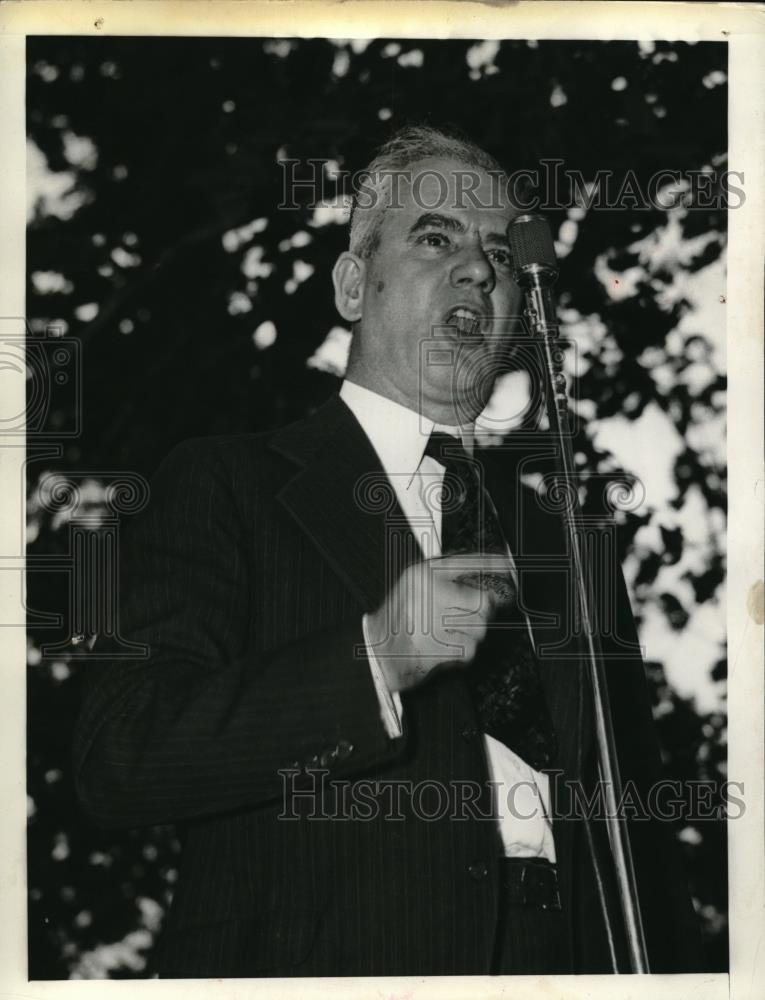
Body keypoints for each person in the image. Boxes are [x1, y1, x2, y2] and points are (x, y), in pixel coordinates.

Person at [74, 125, 702, 977]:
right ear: (351, 284)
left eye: (499, 256)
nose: (479, 268)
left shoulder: (570, 544)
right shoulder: (226, 484)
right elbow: (121, 757)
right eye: (434, 237)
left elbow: (643, 849)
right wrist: (373, 660)